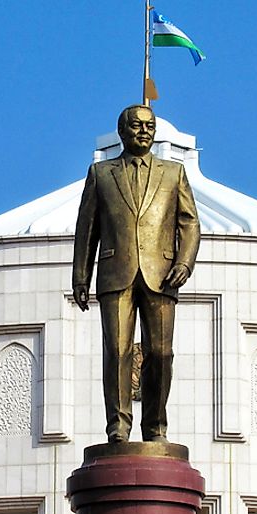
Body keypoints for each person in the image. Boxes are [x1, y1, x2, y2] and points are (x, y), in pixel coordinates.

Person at [72, 105, 201, 443]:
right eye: (136, 125)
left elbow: (189, 222)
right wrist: (81, 276)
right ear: (122, 131)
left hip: (161, 274)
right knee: (117, 351)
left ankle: (155, 425)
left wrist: (184, 263)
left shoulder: (173, 173)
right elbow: (87, 229)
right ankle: (118, 424)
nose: (144, 131)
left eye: (149, 125)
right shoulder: (101, 174)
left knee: (161, 353)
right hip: (116, 272)